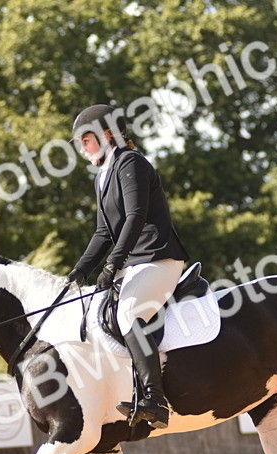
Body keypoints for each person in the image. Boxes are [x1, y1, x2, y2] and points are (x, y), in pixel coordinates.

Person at [68, 104, 190, 429]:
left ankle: (154, 397)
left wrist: (112, 264)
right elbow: (102, 231)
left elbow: (135, 216)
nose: (83, 147)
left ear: (108, 135)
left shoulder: (130, 163)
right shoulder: (102, 176)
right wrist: (80, 270)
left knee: (128, 314)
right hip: (135, 263)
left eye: (87, 139)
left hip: (158, 257)